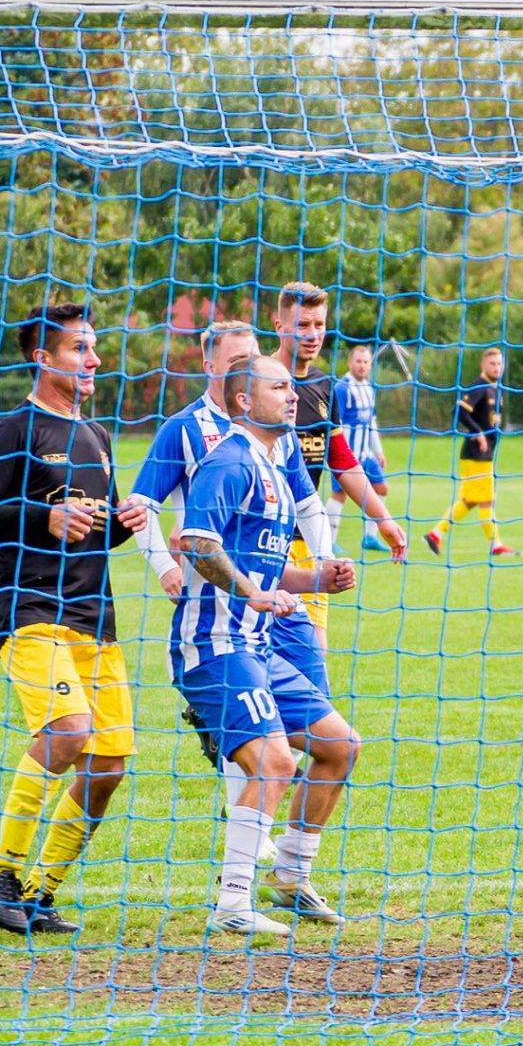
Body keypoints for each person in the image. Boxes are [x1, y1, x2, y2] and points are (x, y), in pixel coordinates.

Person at [0, 303, 154, 936]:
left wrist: (122, 524)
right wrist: (43, 517)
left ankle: (40, 892)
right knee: (68, 731)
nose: (93, 361)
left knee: (109, 764)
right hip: (29, 610)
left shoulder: (97, 436)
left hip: (97, 618)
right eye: (79, 350)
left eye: (94, 349)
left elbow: (89, 535)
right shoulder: (14, 429)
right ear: (43, 358)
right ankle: (1, 873)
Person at [168, 355, 364, 937]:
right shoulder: (227, 462)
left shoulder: (277, 469)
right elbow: (198, 545)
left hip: (257, 643)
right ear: (244, 401)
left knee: (340, 748)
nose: (293, 394)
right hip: (214, 644)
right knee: (277, 760)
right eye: (279, 386)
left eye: (292, 386)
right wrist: (253, 593)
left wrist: (317, 580)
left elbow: (268, 570)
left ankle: (290, 876)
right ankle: (232, 903)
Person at [269, 282, 410, 620]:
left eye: (319, 324)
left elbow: (342, 460)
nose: (313, 334)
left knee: (315, 654)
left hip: (310, 541)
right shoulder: (257, 380)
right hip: (263, 544)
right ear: (280, 326)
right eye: (302, 325)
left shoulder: (323, 385)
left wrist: (383, 518)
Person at [426, 346, 512, 558]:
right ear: (483, 365)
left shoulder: (495, 388)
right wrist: (479, 433)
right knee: (486, 500)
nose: (496, 367)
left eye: (499, 363)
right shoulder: (479, 386)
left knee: (471, 500)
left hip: (484, 453)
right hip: (475, 453)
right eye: (492, 363)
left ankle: (435, 534)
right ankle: (496, 544)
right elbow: (459, 412)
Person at [330, 344, 392, 557]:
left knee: (382, 488)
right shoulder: (342, 388)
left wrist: (378, 450)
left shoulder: (368, 388)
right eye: (358, 361)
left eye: (366, 362)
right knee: (340, 494)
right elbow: (334, 422)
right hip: (346, 455)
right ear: (350, 363)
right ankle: (330, 542)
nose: (363, 365)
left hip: (366, 454)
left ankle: (370, 537)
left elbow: (371, 421)